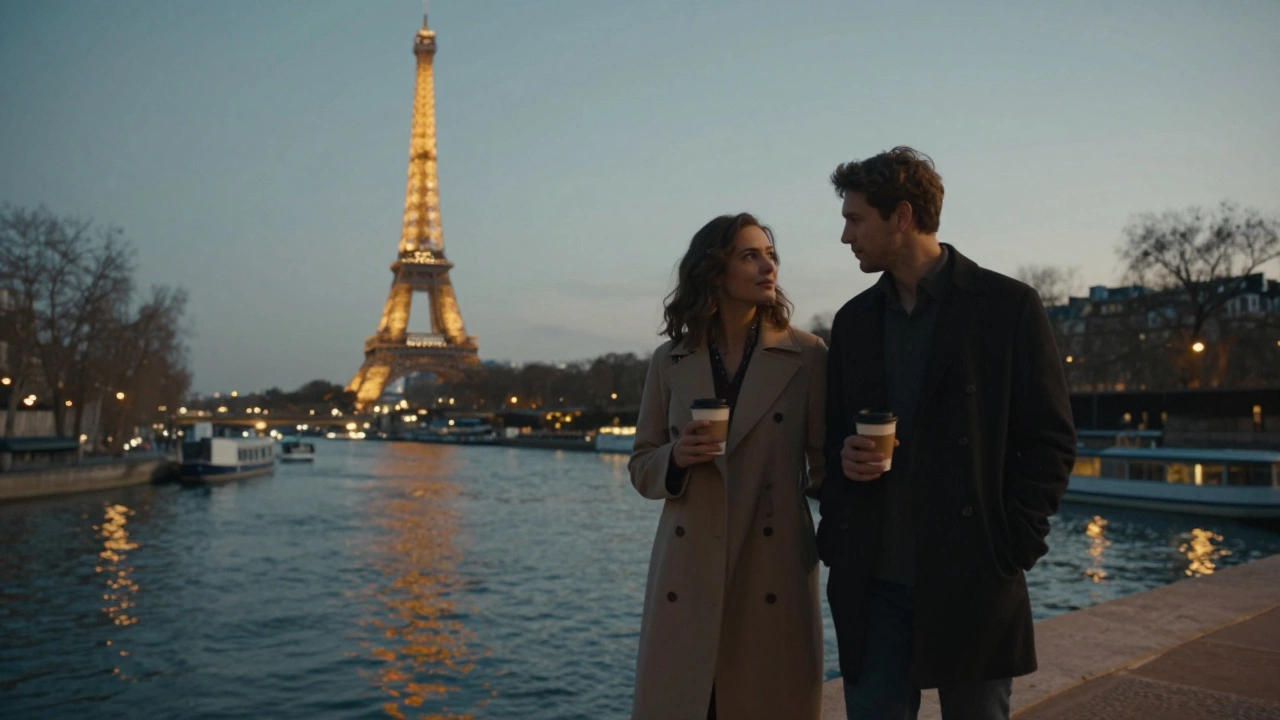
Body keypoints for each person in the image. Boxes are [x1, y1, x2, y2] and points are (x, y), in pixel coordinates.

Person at [817, 147, 1076, 720]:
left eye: (855, 219)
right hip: (873, 579)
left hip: (973, 576)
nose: (845, 236)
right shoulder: (854, 322)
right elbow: (830, 437)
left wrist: (1013, 548)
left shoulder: (1006, 306)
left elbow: (1050, 439)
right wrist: (844, 464)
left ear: (902, 216)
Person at [629, 213, 828, 720]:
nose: (769, 267)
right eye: (750, 255)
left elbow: (826, 465)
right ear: (714, 272)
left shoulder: (807, 355)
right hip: (688, 567)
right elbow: (641, 466)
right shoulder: (669, 360)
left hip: (772, 564)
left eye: (771, 255)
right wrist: (675, 458)